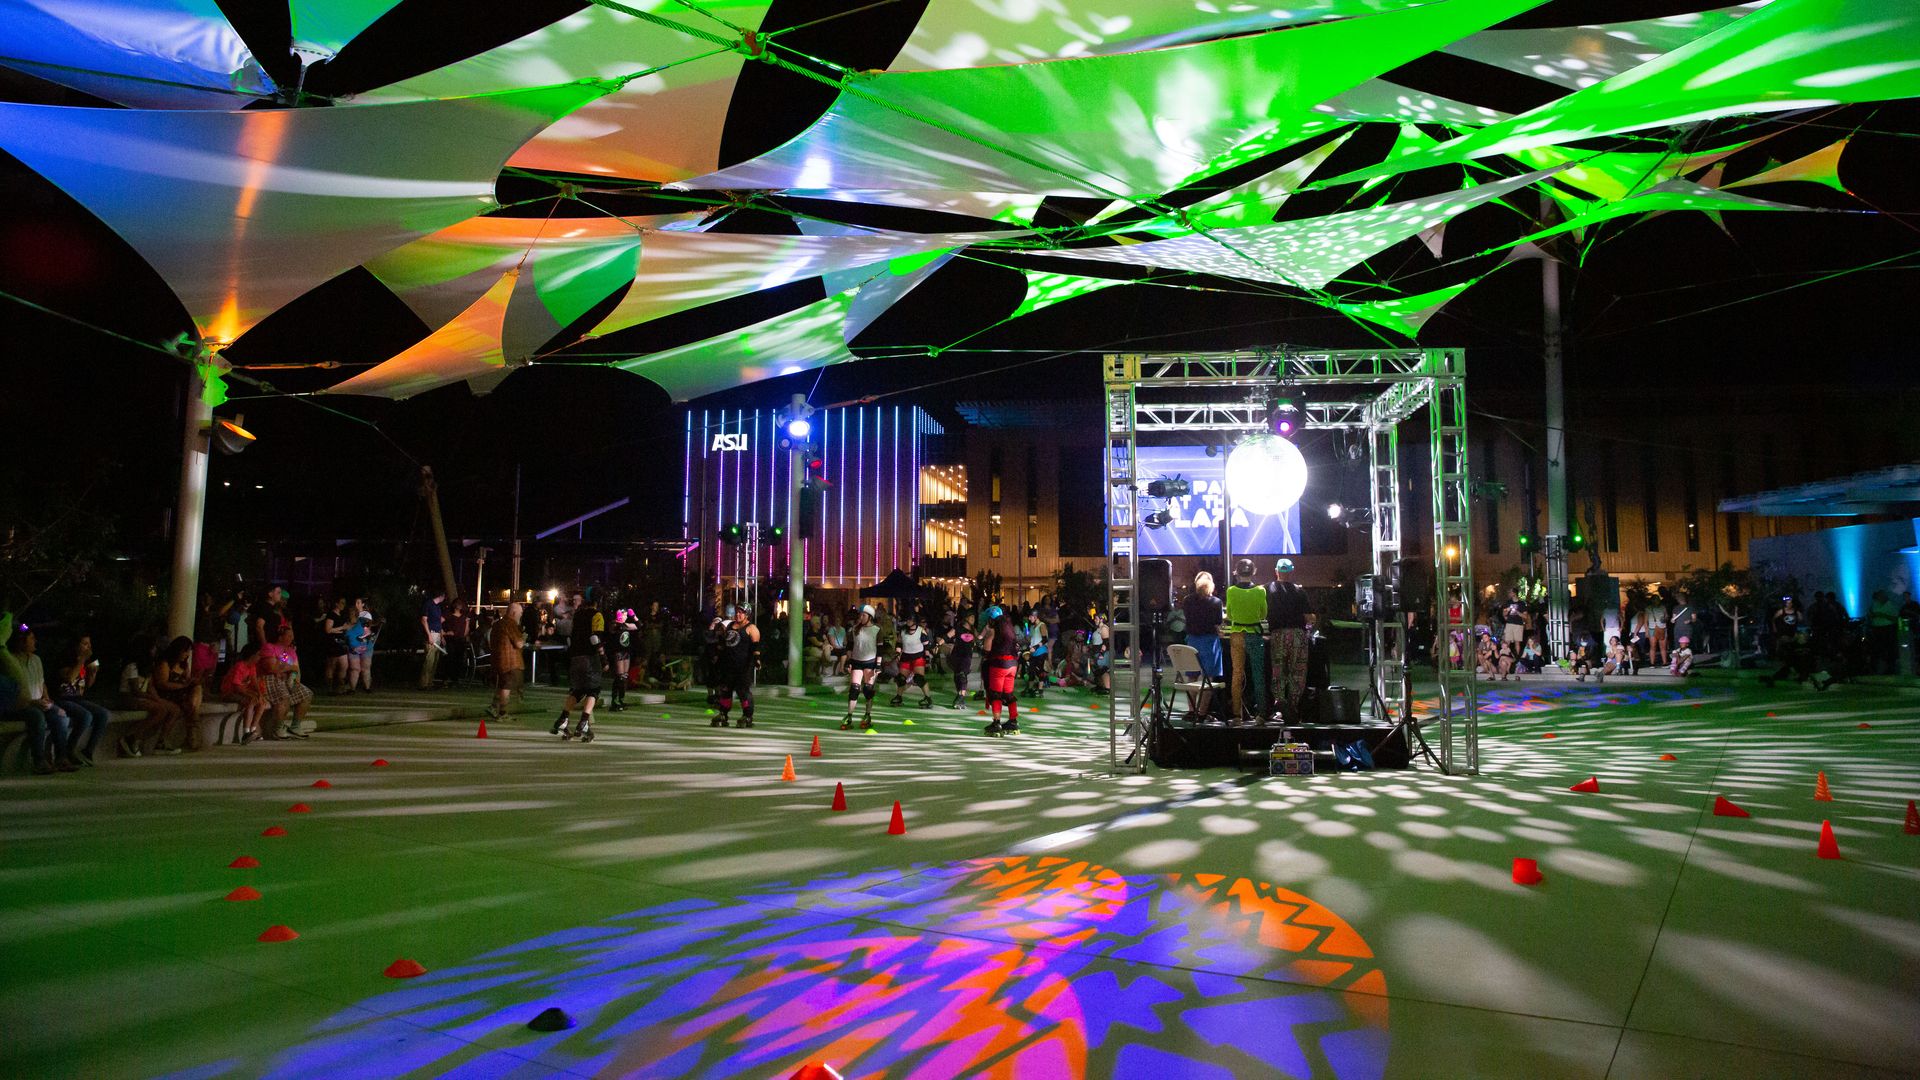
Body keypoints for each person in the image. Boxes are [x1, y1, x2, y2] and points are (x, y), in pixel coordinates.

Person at [3, 620, 76, 773]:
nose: (35, 641)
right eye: (31, 639)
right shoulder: (10, 660)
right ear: (21, 642)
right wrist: (33, 703)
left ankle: (61, 757)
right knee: (36, 717)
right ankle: (39, 761)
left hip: (38, 703)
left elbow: (41, 683)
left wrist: (47, 700)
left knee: (61, 715)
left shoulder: (36, 660)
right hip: (20, 706)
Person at [129, 636, 198, 755]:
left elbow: (149, 685)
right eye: (185, 651)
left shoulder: (182, 666)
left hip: (160, 696)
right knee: (163, 710)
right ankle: (134, 737)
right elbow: (153, 686)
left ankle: (159, 741)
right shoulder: (134, 667)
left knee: (195, 692)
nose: (187, 655)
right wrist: (156, 698)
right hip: (140, 697)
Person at [552, 589, 603, 742]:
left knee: (577, 690)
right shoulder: (597, 615)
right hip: (589, 657)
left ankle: (563, 719)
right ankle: (584, 722)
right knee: (593, 690)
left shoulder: (578, 614)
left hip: (575, 657)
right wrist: (603, 657)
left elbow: (572, 634)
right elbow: (595, 637)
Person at [52, 634, 110, 765]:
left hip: (78, 698)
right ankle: (69, 750)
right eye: (85, 643)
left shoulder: (85, 662)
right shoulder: (66, 659)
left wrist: (93, 673)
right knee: (85, 716)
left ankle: (88, 751)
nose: (88, 647)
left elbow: (87, 685)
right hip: (62, 698)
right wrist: (82, 660)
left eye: (89, 644)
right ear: (76, 645)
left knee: (103, 714)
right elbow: (69, 678)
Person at [1265, 558, 1311, 720]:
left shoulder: (1267, 589)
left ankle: (1280, 705)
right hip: (1298, 635)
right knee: (1297, 672)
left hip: (1277, 635)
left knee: (1278, 671)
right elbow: (1309, 617)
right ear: (1291, 572)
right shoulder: (1300, 591)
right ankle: (1293, 707)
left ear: (1276, 571)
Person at [1224, 559, 1267, 723]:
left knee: (1237, 674)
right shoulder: (1260, 591)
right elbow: (1263, 614)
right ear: (1253, 572)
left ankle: (1237, 714)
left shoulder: (1231, 591)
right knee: (1258, 674)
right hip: (1254, 633)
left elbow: (1230, 615)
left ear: (1236, 572)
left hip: (1236, 634)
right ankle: (1261, 714)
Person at [261, 623, 314, 739]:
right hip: (272, 679)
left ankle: (295, 726)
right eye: (289, 636)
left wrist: (294, 678)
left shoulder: (291, 651)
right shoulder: (269, 647)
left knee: (306, 694)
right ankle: (278, 728)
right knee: (283, 697)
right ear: (280, 637)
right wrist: (288, 668)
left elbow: (296, 669)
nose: (292, 638)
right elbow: (272, 668)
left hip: (288, 679)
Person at [712, 605, 760, 728]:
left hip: (743, 665)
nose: (738, 615)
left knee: (742, 691)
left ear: (747, 614)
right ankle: (723, 714)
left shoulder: (751, 628)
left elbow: (755, 647)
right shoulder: (729, 626)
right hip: (728, 665)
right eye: (737, 612)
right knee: (726, 690)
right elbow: (723, 644)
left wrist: (757, 660)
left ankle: (747, 715)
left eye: (741, 613)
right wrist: (717, 656)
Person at [982, 606, 1023, 736]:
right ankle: (1013, 721)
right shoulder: (1009, 629)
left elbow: (986, 650)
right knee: (1009, 694)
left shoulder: (993, 630)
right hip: (1012, 665)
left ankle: (996, 723)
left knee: (996, 694)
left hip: (999, 664)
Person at [841, 605, 882, 730]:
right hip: (857, 661)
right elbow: (850, 647)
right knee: (854, 689)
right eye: (861, 615)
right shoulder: (854, 629)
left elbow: (880, 649)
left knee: (868, 690)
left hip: (870, 662)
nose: (861, 617)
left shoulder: (877, 630)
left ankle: (867, 715)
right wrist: (848, 662)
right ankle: (849, 716)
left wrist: (878, 665)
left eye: (864, 615)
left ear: (870, 617)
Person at [220, 640, 269, 742]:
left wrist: (259, 694)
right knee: (250, 702)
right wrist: (251, 694)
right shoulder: (240, 666)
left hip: (241, 692)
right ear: (252, 655)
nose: (260, 657)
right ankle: (246, 732)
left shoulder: (252, 667)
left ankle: (253, 729)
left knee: (262, 703)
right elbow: (236, 686)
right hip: (230, 692)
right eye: (258, 655)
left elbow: (254, 682)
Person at [488, 601, 525, 720]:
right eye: (520, 613)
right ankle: (502, 712)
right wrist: (523, 638)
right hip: (510, 661)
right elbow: (518, 643)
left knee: (503, 685)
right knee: (506, 686)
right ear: (514, 613)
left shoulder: (497, 624)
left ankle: (493, 706)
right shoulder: (510, 623)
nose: (520, 615)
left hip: (498, 659)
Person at [891, 610, 934, 708]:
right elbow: (899, 643)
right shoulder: (903, 631)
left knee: (919, 679)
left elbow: (926, 646)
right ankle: (898, 696)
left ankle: (928, 698)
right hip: (906, 657)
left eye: (910, 619)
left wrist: (927, 659)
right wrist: (897, 653)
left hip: (918, 657)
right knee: (901, 679)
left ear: (915, 620)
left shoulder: (920, 631)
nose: (908, 621)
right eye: (907, 619)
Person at [604, 608, 635, 712]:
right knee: (619, 677)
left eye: (627, 615)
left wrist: (634, 615)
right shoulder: (615, 624)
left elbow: (639, 625)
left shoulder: (626, 625)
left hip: (626, 652)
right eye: (624, 615)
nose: (626, 617)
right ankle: (614, 701)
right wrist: (619, 620)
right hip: (618, 652)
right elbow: (612, 628)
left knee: (625, 677)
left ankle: (621, 699)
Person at [945, 608, 976, 708]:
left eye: (974, 617)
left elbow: (979, 638)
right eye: (971, 617)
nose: (973, 619)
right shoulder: (958, 628)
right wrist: (938, 644)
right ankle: (959, 696)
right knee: (957, 676)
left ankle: (961, 696)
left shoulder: (973, 629)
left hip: (967, 656)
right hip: (957, 654)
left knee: (963, 675)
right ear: (966, 618)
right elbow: (948, 635)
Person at [321, 596, 352, 694]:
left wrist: (346, 628)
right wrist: (342, 627)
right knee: (332, 665)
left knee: (344, 665)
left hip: (340, 642)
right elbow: (328, 629)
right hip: (333, 642)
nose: (343, 605)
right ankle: (329, 688)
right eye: (342, 603)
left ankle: (340, 686)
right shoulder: (331, 615)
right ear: (336, 603)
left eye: (344, 603)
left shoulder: (341, 615)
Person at [344, 601, 377, 692]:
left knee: (365, 667)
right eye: (351, 613)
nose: (352, 615)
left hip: (366, 647)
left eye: (354, 613)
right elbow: (346, 638)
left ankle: (367, 688)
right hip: (353, 649)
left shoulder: (363, 621)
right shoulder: (346, 625)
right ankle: (352, 688)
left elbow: (370, 627)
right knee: (355, 668)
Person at [418, 588, 447, 689]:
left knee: (435, 660)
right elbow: (424, 620)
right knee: (429, 660)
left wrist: (441, 635)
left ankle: (430, 682)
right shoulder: (428, 604)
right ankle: (423, 683)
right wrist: (429, 635)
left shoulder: (437, 607)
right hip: (431, 634)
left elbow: (439, 622)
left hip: (437, 634)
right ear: (441, 596)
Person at [1867, 589, 1900, 675]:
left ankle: (1890, 667)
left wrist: (1883, 615)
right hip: (1877, 629)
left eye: (1880, 596)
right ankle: (1879, 667)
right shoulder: (1874, 604)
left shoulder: (1891, 605)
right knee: (1878, 648)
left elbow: (1896, 618)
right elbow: (1870, 614)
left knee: (1889, 648)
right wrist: (1871, 617)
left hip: (1888, 629)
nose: (1878, 598)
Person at [1020, 609, 1050, 698]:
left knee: (1040, 671)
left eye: (1030, 617)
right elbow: (1034, 640)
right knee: (1031, 671)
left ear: (1035, 616)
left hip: (1041, 652)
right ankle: (1030, 689)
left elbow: (1045, 639)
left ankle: (1040, 691)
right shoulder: (1033, 627)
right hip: (1034, 653)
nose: (1029, 619)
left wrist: (1035, 647)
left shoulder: (1042, 625)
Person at [1088, 613, 1111, 695]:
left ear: (1101, 619)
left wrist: (1102, 654)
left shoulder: (1104, 628)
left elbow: (1106, 642)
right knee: (1097, 670)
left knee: (1103, 669)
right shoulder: (1099, 628)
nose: (1095, 620)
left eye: (1096, 619)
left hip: (1103, 653)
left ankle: (1107, 688)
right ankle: (1100, 685)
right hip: (1097, 651)